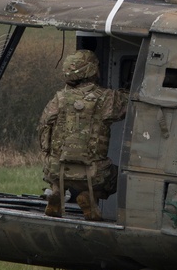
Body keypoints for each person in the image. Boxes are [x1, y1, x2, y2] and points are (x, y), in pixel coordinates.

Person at [37, 50, 127, 219]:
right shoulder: (107, 98)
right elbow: (128, 106)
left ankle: (57, 192)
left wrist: (47, 155)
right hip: (94, 173)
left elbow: (43, 127)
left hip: (57, 169)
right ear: (91, 70)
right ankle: (89, 196)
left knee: (57, 173)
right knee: (117, 177)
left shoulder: (59, 98)